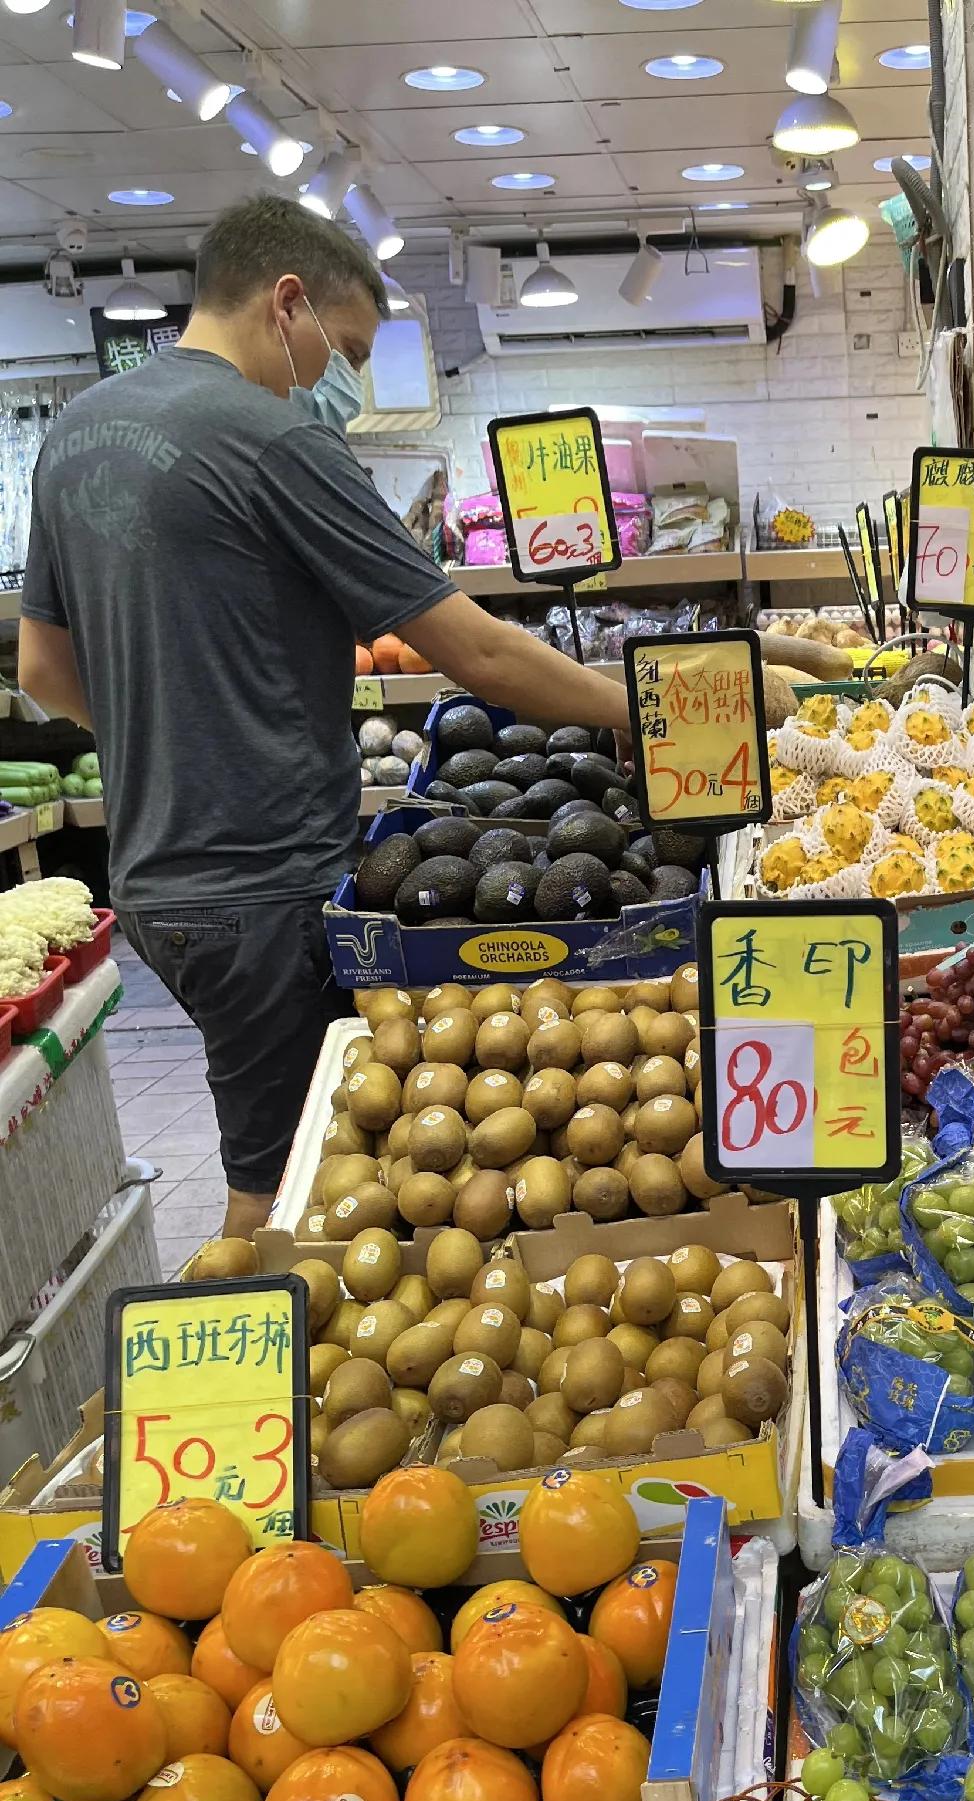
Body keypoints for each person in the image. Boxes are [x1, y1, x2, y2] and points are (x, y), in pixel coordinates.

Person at [19, 195, 632, 1239]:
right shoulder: (272, 439)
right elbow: (472, 648)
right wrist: (647, 712)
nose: (334, 377)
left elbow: (42, 668)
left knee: (310, 1139)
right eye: (340, 348)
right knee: (289, 1180)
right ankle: (241, 1384)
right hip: (266, 882)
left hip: (158, 883)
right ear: (286, 301)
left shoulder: (76, 434)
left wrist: (175, 733)